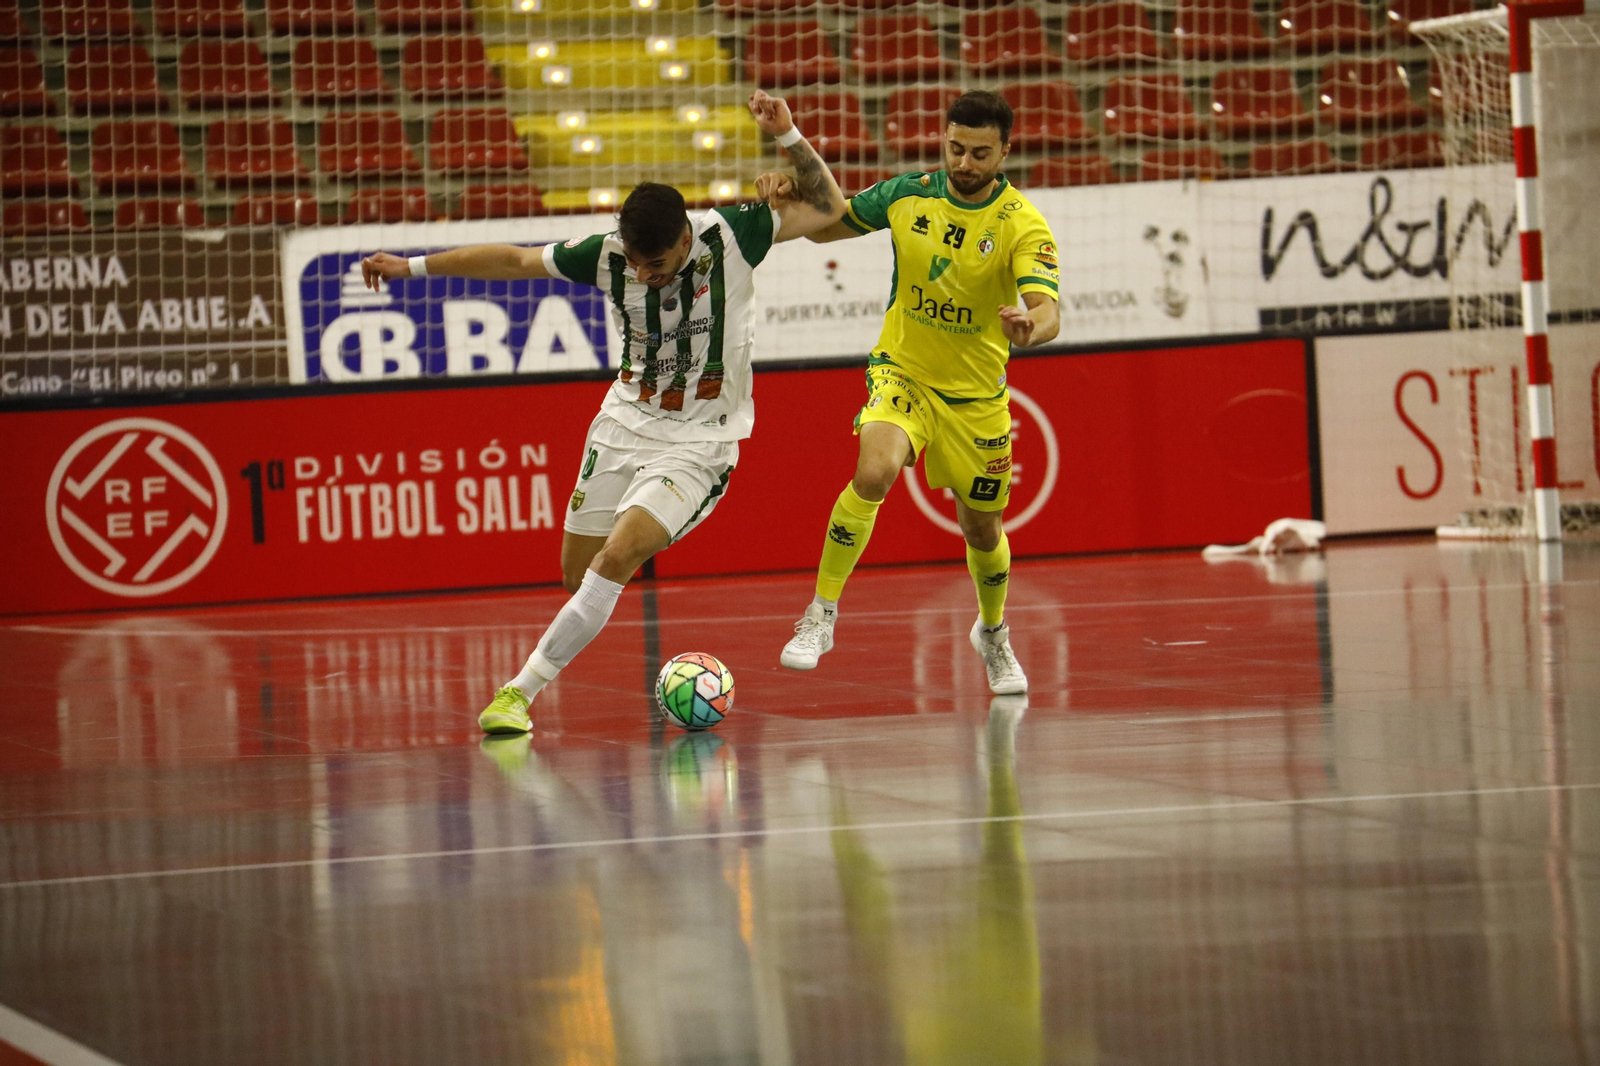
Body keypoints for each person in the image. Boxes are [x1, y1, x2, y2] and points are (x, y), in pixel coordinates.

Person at [361, 90, 847, 734]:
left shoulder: (732, 235)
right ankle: (563, 646)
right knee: (576, 573)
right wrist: (412, 267)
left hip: (700, 441)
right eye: (635, 261)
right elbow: (511, 261)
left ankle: (517, 694)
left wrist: (787, 137)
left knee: (616, 557)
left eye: (658, 263)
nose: (643, 275)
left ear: (684, 239)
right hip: (622, 424)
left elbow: (829, 207)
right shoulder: (608, 255)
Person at [769, 90, 1061, 695]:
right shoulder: (908, 194)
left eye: (980, 153)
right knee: (874, 471)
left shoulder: (1021, 224)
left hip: (977, 397)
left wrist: (1031, 329)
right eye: (956, 147)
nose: (964, 163)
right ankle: (820, 616)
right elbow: (827, 225)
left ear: (1005, 151)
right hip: (902, 371)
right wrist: (785, 193)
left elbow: (1048, 309)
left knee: (983, 530)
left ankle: (994, 634)